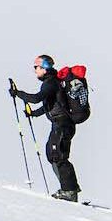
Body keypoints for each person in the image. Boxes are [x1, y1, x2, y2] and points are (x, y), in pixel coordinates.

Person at [10, 54, 82, 201]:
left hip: (63, 125)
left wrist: (18, 93)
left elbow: (37, 98)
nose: (35, 70)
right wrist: (34, 113)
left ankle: (69, 191)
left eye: (36, 67)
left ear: (44, 68)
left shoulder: (51, 83)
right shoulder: (52, 82)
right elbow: (50, 105)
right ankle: (68, 189)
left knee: (58, 156)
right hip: (60, 124)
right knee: (52, 154)